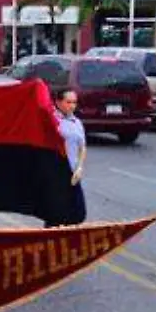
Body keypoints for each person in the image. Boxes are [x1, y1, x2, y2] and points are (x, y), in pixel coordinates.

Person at [53, 88, 87, 226]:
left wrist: (79, 168)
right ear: (58, 102)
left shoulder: (77, 123)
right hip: (56, 172)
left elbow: (82, 147)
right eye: (68, 102)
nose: (72, 106)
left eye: (74, 102)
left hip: (72, 173)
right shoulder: (53, 121)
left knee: (78, 212)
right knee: (56, 213)